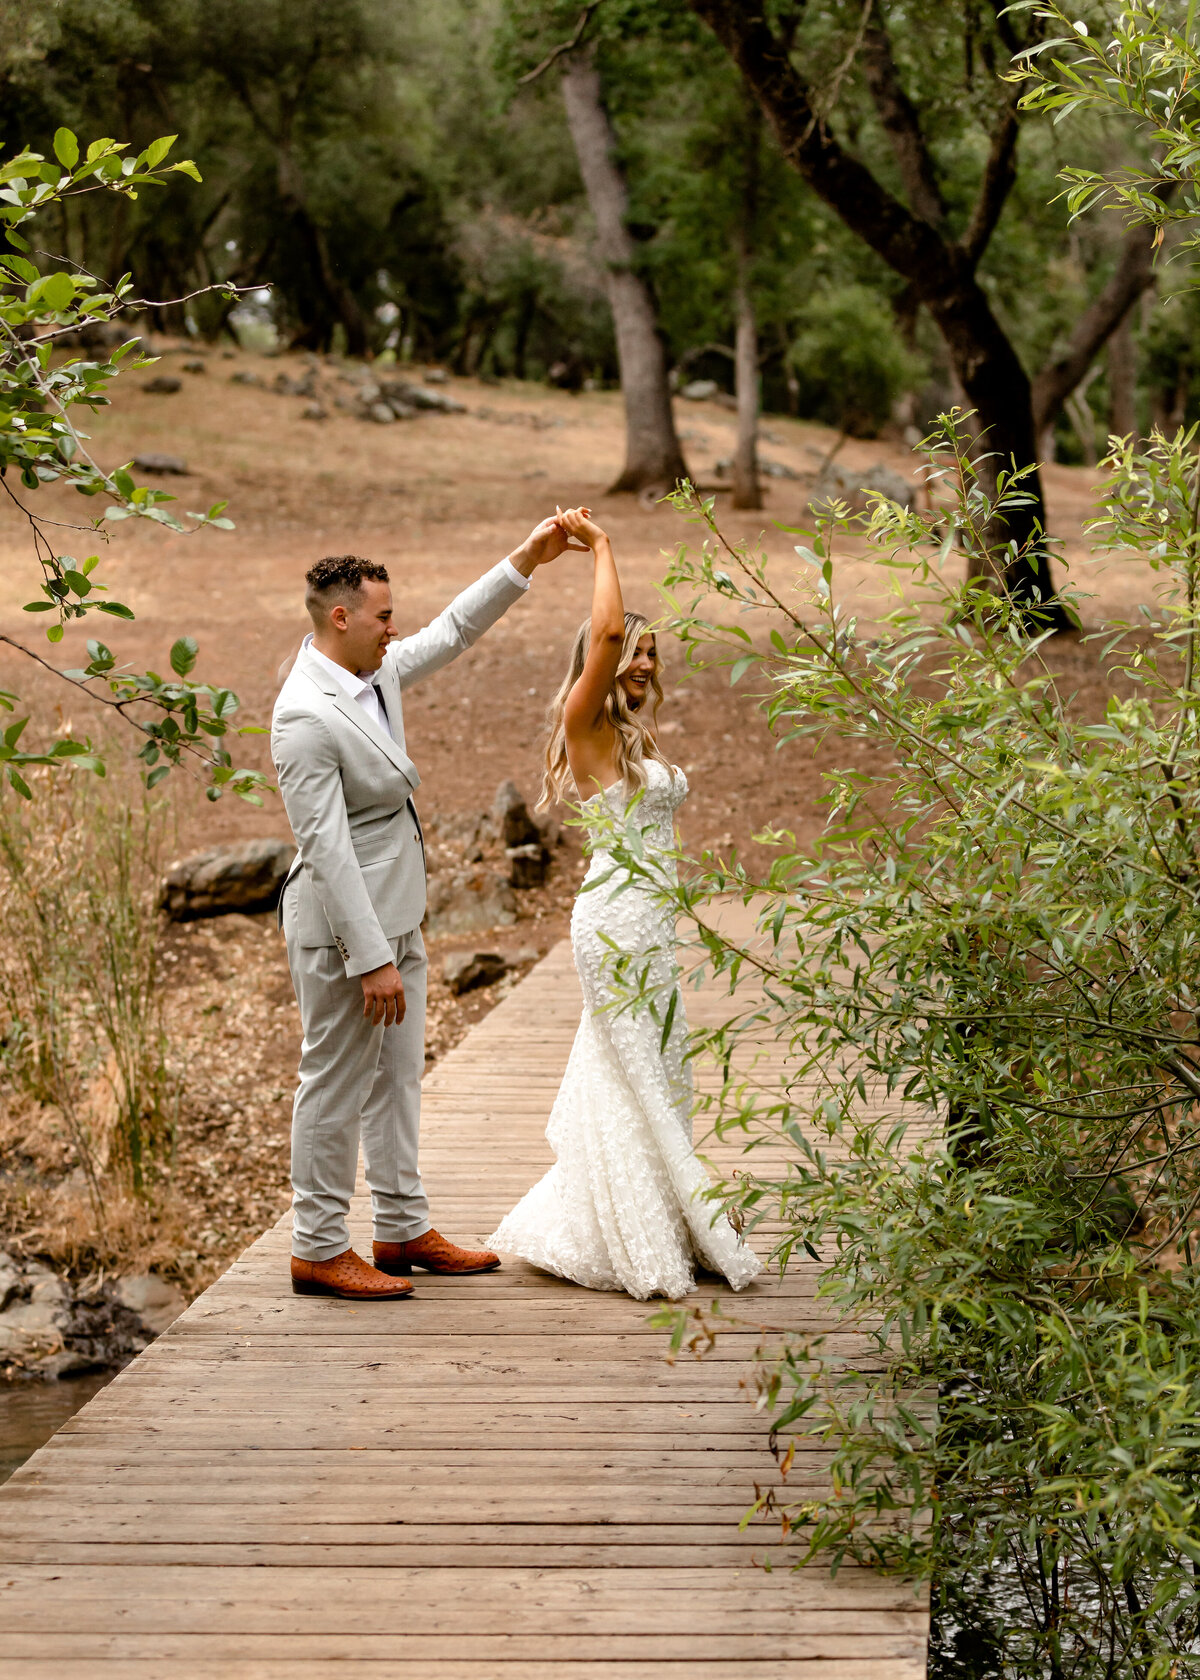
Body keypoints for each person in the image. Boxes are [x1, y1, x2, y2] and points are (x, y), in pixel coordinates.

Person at [272, 517, 581, 1301]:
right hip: (343, 933)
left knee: (399, 1078)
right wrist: (370, 957)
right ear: (340, 617)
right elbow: (328, 848)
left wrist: (526, 560)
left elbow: (450, 632)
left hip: (400, 914)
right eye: (382, 616)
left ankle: (403, 1229)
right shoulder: (305, 714)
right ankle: (316, 1246)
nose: (394, 627)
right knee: (334, 1082)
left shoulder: (371, 672)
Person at [487, 508, 762, 1300]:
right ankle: (654, 1230)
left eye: (651, 651)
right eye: (632, 649)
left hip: (650, 924)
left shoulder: (635, 739)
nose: (641, 660)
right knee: (636, 1066)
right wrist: (602, 547)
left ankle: (654, 1212)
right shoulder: (586, 727)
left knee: (654, 1070)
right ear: (599, 663)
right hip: (612, 925)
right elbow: (602, 637)